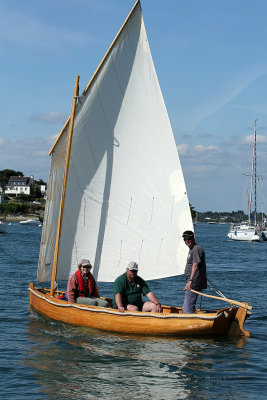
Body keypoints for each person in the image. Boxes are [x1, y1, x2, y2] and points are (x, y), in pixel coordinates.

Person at [182, 230, 207, 314]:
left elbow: (195, 265)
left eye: (188, 239)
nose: (186, 241)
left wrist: (190, 281)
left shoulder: (196, 248)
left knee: (186, 310)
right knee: (189, 306)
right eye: (184, 239)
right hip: (191, 281)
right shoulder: (192, 249)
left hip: (193, 282)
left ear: (193, 238)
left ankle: (189, 321)